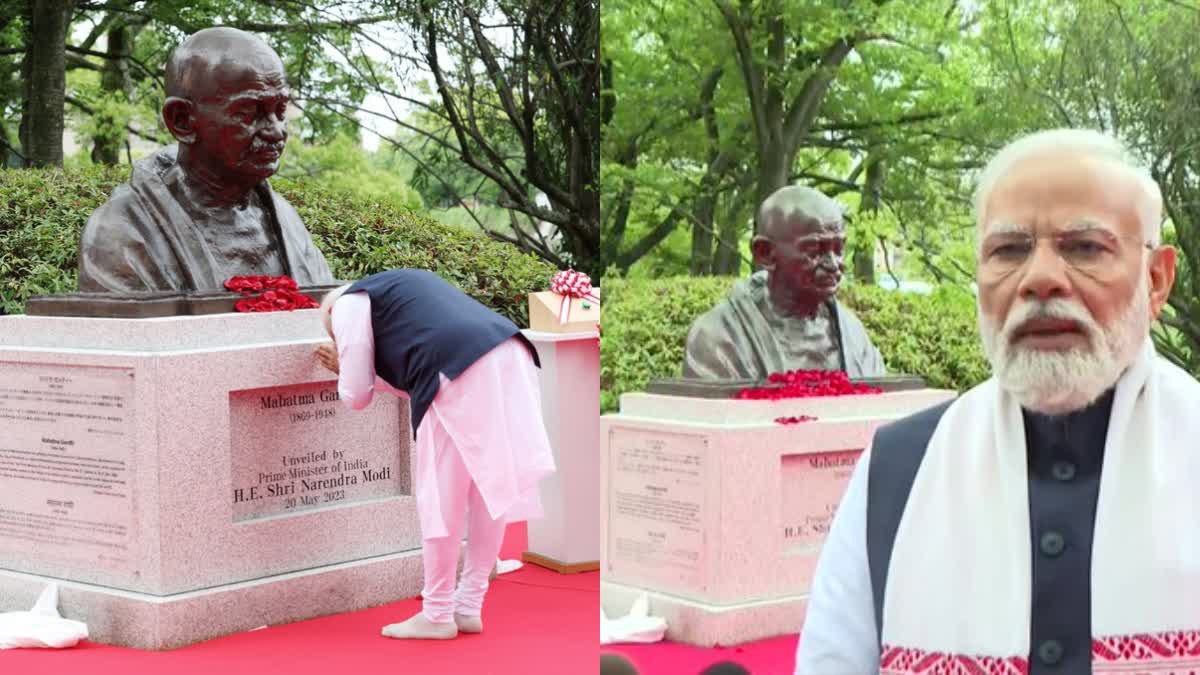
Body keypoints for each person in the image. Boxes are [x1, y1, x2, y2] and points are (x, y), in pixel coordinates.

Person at [794, 129, 1200, 674]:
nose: (1040, 279)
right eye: (1009, 250)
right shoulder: (899, 468)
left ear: (1156, 280)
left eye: (1084, 247)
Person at [314, 269, 556, 639]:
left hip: (456, 365)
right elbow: (417, 375)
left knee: (440, 497)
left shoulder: (345, 306)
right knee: (490, 489)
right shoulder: (401, 289)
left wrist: (344, 365)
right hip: (508, 349)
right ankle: (469, 605)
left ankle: (438, 612)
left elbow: (356, 395)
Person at [77, 27, 333, 294]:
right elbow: (127, 332)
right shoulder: (124, 232)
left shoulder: (285, 220)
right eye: (249, 112)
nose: (276, 131)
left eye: (280, 111)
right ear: (182, 120)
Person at [683, 185, 885, 380]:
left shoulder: (854, 336)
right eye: (814, 251)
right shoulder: (718, 338)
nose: (833, 264)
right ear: (765, 253)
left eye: (838, 249)